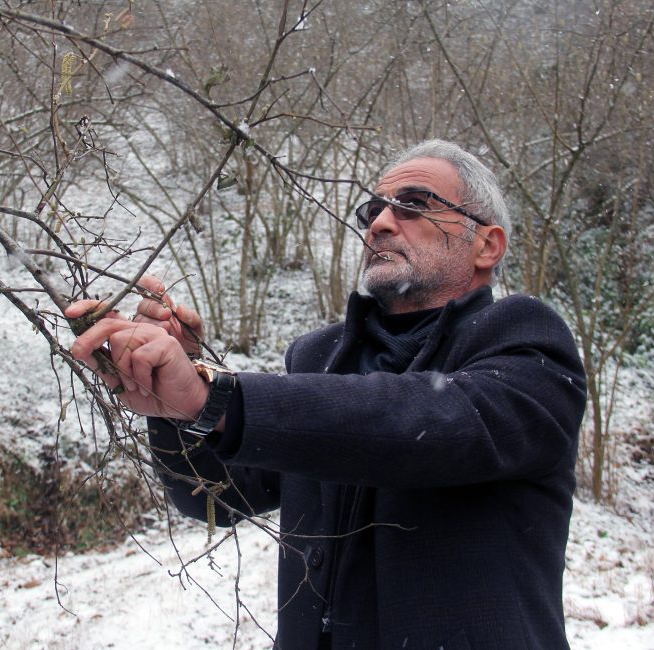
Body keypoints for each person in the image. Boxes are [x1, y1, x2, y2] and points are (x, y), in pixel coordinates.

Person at [67, 139, 587, 649]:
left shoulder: (526, 343)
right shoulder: (318, 357)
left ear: (486, 245)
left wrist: (220, 399)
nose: (380, 223)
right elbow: (215, 498)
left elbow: (429, 424)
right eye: (374, 210)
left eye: (413, 205)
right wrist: (174, 407)